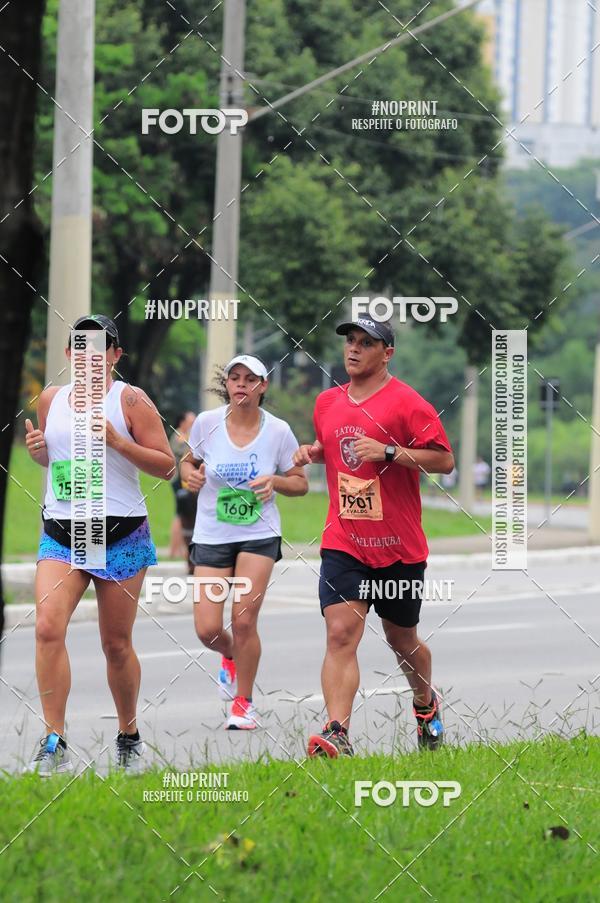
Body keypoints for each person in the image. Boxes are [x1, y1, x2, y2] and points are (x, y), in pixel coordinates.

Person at [293, 317, 454, 758]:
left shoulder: (407, 403)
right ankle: (337, 732)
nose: (354, 349)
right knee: (341, 633)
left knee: (402, 640)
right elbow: (334, 447)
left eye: (367, 343)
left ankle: (425, 702)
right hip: (344, 541)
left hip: (399, 548)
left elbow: (443, 461)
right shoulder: (327, 402)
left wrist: (388, 452)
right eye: (350, 341)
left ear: (387, 353)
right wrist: (313, 452)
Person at [24, 314, 175, 775]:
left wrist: (118, 442)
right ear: (69, 355)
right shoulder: (52, 398)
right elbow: (57, 457)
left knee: (116, 645)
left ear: (114, 355)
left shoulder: (129, 400)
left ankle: (129, 736)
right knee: (48, 627)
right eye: (79, 348)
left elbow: (167, 466)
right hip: (63, 533)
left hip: (119, 534)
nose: (88, 357)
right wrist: (40, 452)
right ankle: (54, 741)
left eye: (99, 349)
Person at [180, 354, 308, 730]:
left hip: (258, 533)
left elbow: (299, 482)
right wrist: (190, 477)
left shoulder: (279, 431)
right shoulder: (207, 423)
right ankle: (231, 656)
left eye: (250, 379)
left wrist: (276, 482)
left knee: (244, 619)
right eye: (234, 378)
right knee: (206, 628)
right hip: (212, 533)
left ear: (262, 386)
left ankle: (243, 703)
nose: (240, 384)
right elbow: (188, 463)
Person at [168, 411, 197, 567]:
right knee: (181, 514)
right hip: (180, 480)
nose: (193, 423)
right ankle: (174, 549)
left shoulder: (183, 435)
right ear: (183, 422)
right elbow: (188, 451)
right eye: (191, 421)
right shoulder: (180, 436)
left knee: (182, 514)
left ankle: (177, 550)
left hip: (183, 479)